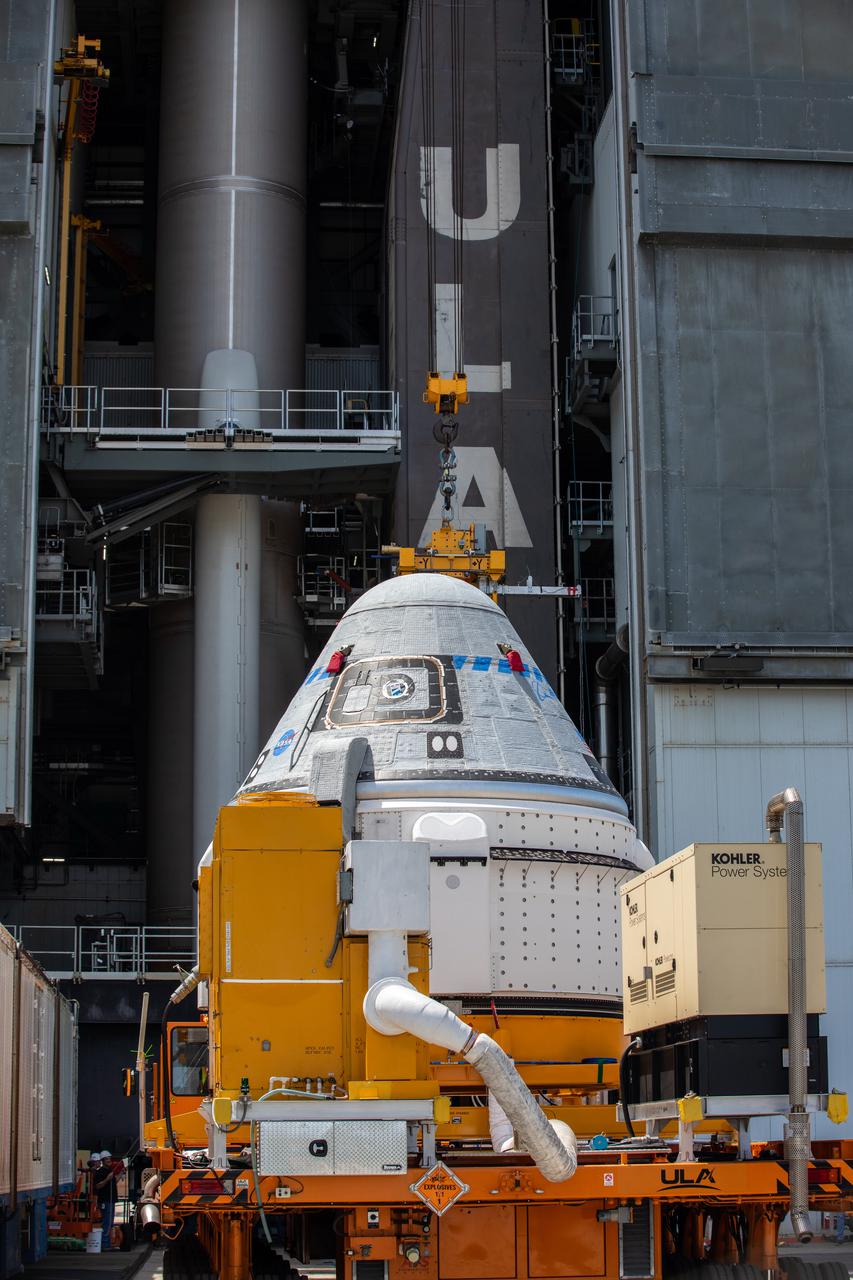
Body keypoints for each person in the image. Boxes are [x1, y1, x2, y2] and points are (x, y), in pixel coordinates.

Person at [93, 1151, 117, 1251]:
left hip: (111, 1200)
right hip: (105, 1200)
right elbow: (97, 1186)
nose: (109, 1160)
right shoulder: (100, 1172)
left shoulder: (110, 1171)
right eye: (107, 1159)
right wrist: (107, 1179)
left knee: (110, 1222)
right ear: (102, 1161)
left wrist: (120, 1174)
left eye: (109, 1159)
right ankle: (104, 1244)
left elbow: (114, 1182)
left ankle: (107, 1243)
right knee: (106, 1222)